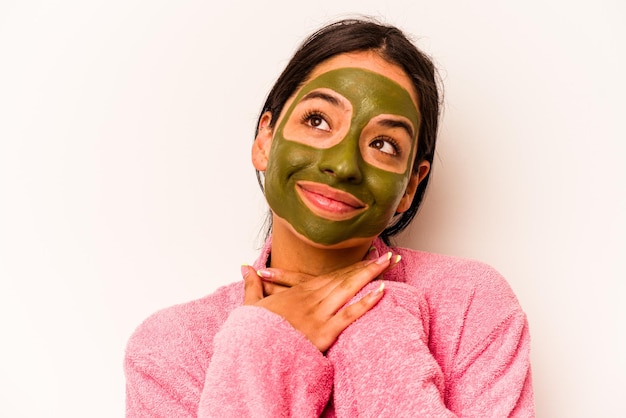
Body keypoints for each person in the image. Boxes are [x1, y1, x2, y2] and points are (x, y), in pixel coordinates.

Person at [124, 18, 534, 417]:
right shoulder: (171, 348)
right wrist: (259, 342)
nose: (342, 165)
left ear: (409, 186)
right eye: (318, 120)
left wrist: (375, 324)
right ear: (265, 139)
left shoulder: (470, 305)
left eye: (384, 144)